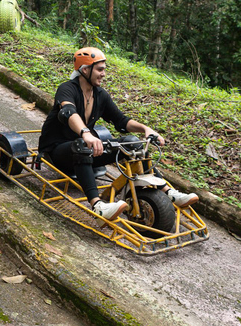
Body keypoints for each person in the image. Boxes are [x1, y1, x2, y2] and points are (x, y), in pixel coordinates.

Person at [38, 47, 198, 220]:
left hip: (86, 150)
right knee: (82, 144)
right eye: (99, 69)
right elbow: (68, 112)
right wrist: (85, 132)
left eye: (104, 69)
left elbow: (121, 121)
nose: (103, 74)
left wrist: (145, 129)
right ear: (85, 70)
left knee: (132, 142)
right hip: (57, 151)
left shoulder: (100, 95)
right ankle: (97, 205)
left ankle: (169, 192)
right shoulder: (67, 89)